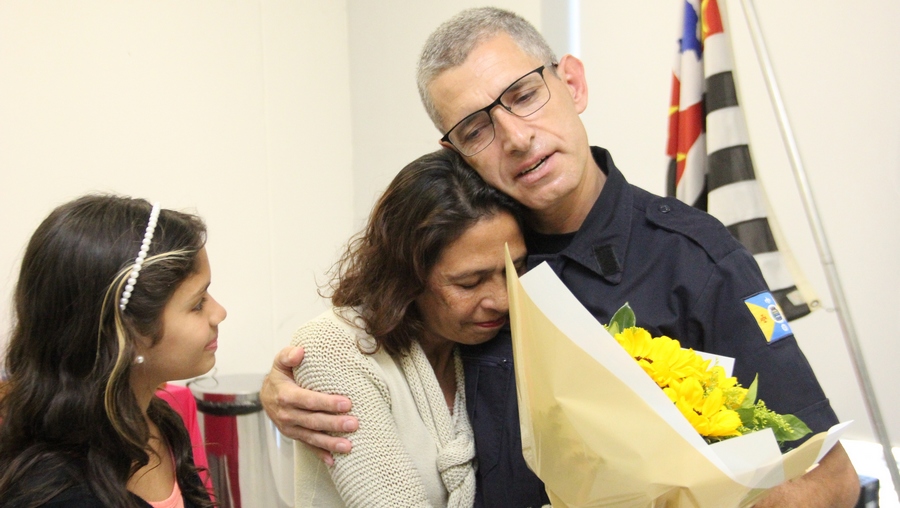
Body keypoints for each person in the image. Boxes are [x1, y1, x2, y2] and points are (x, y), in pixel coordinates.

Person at [262, 7, 860, 507]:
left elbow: (830, 476)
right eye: (477, 129)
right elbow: (377, 350)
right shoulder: (462, 250)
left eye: (524, 95)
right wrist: (288, 392)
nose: (517, 138)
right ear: (456, 151)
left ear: (570, 83)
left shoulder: (695, 260)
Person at [290, 148, 527, 507]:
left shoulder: (483, 343)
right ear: (406, 276)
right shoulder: (335, 347)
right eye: (469, 283)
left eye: (514, 271)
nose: (503, 299)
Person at [0, 195, 226, 507]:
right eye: (198, 303)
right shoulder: (60, 494)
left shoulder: (159, 422)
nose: (220, 313)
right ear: (127, 332)